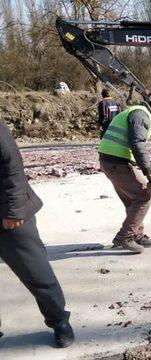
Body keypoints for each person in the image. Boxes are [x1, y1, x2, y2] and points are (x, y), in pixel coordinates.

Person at [0, 120, 74, 348]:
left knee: (35, 271)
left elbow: (12, 167)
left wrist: (13, 211)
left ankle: (60, 321)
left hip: (10, 214)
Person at [98, 98, 151, 252]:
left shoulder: (135, 111)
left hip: (110, 160)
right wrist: (149, 173)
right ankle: (124, 237)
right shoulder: (142, 114)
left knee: (132, 200)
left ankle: (137, 235)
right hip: (117, 161)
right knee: (143, 197)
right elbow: (137, 143)